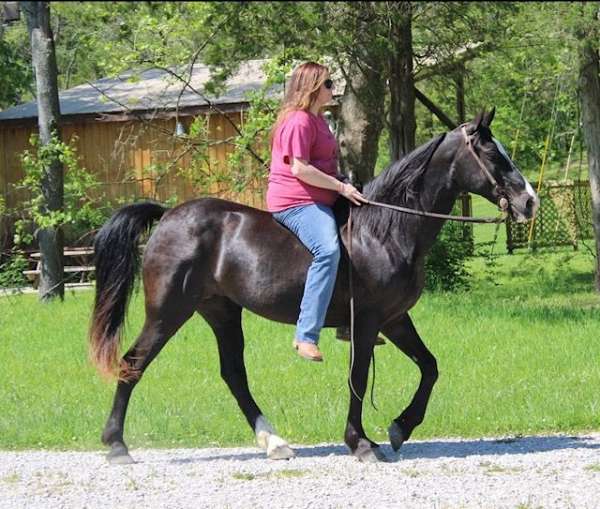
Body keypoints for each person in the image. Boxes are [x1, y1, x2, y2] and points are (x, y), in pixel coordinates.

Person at [267, 61, 368, 362]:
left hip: (322, 195)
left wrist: (343, 182)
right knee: (327, 251)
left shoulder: (319, 119)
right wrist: (340, 188)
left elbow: (324, 164)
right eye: (328, 84)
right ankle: (305, 335)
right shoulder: (298, 121)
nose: (332, 89)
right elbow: (300, 169)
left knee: (363, 244)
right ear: (312, 87)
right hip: (297, 201)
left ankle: (349, 322)